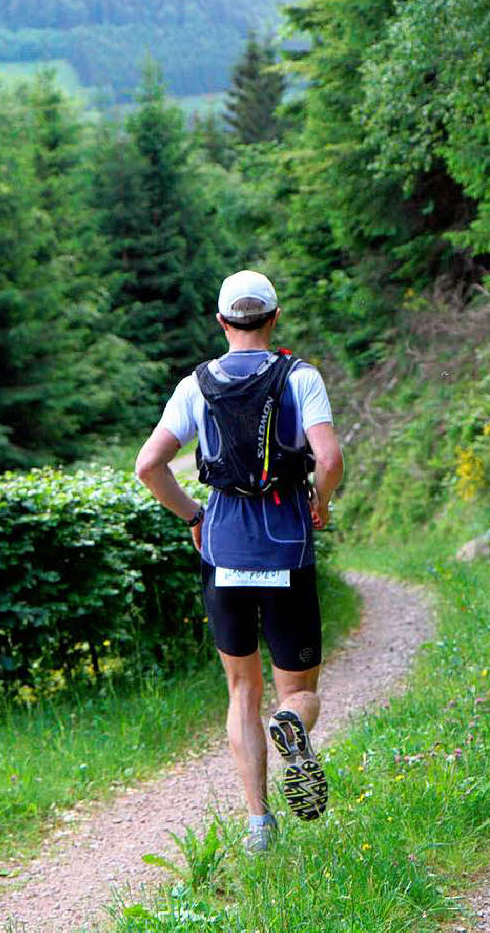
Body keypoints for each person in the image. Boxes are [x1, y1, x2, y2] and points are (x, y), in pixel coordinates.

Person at [135, 270, 343, 852]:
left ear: (222, 322)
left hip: (222, 543)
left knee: (240, 690)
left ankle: (258, 825)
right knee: (297, 688)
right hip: (284, 540)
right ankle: (294, 724)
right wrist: (319, 502)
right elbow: (328, 458)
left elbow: (149, 465)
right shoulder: (300, 376)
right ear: (274, 319)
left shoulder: (194, 385)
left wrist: (194, 517)